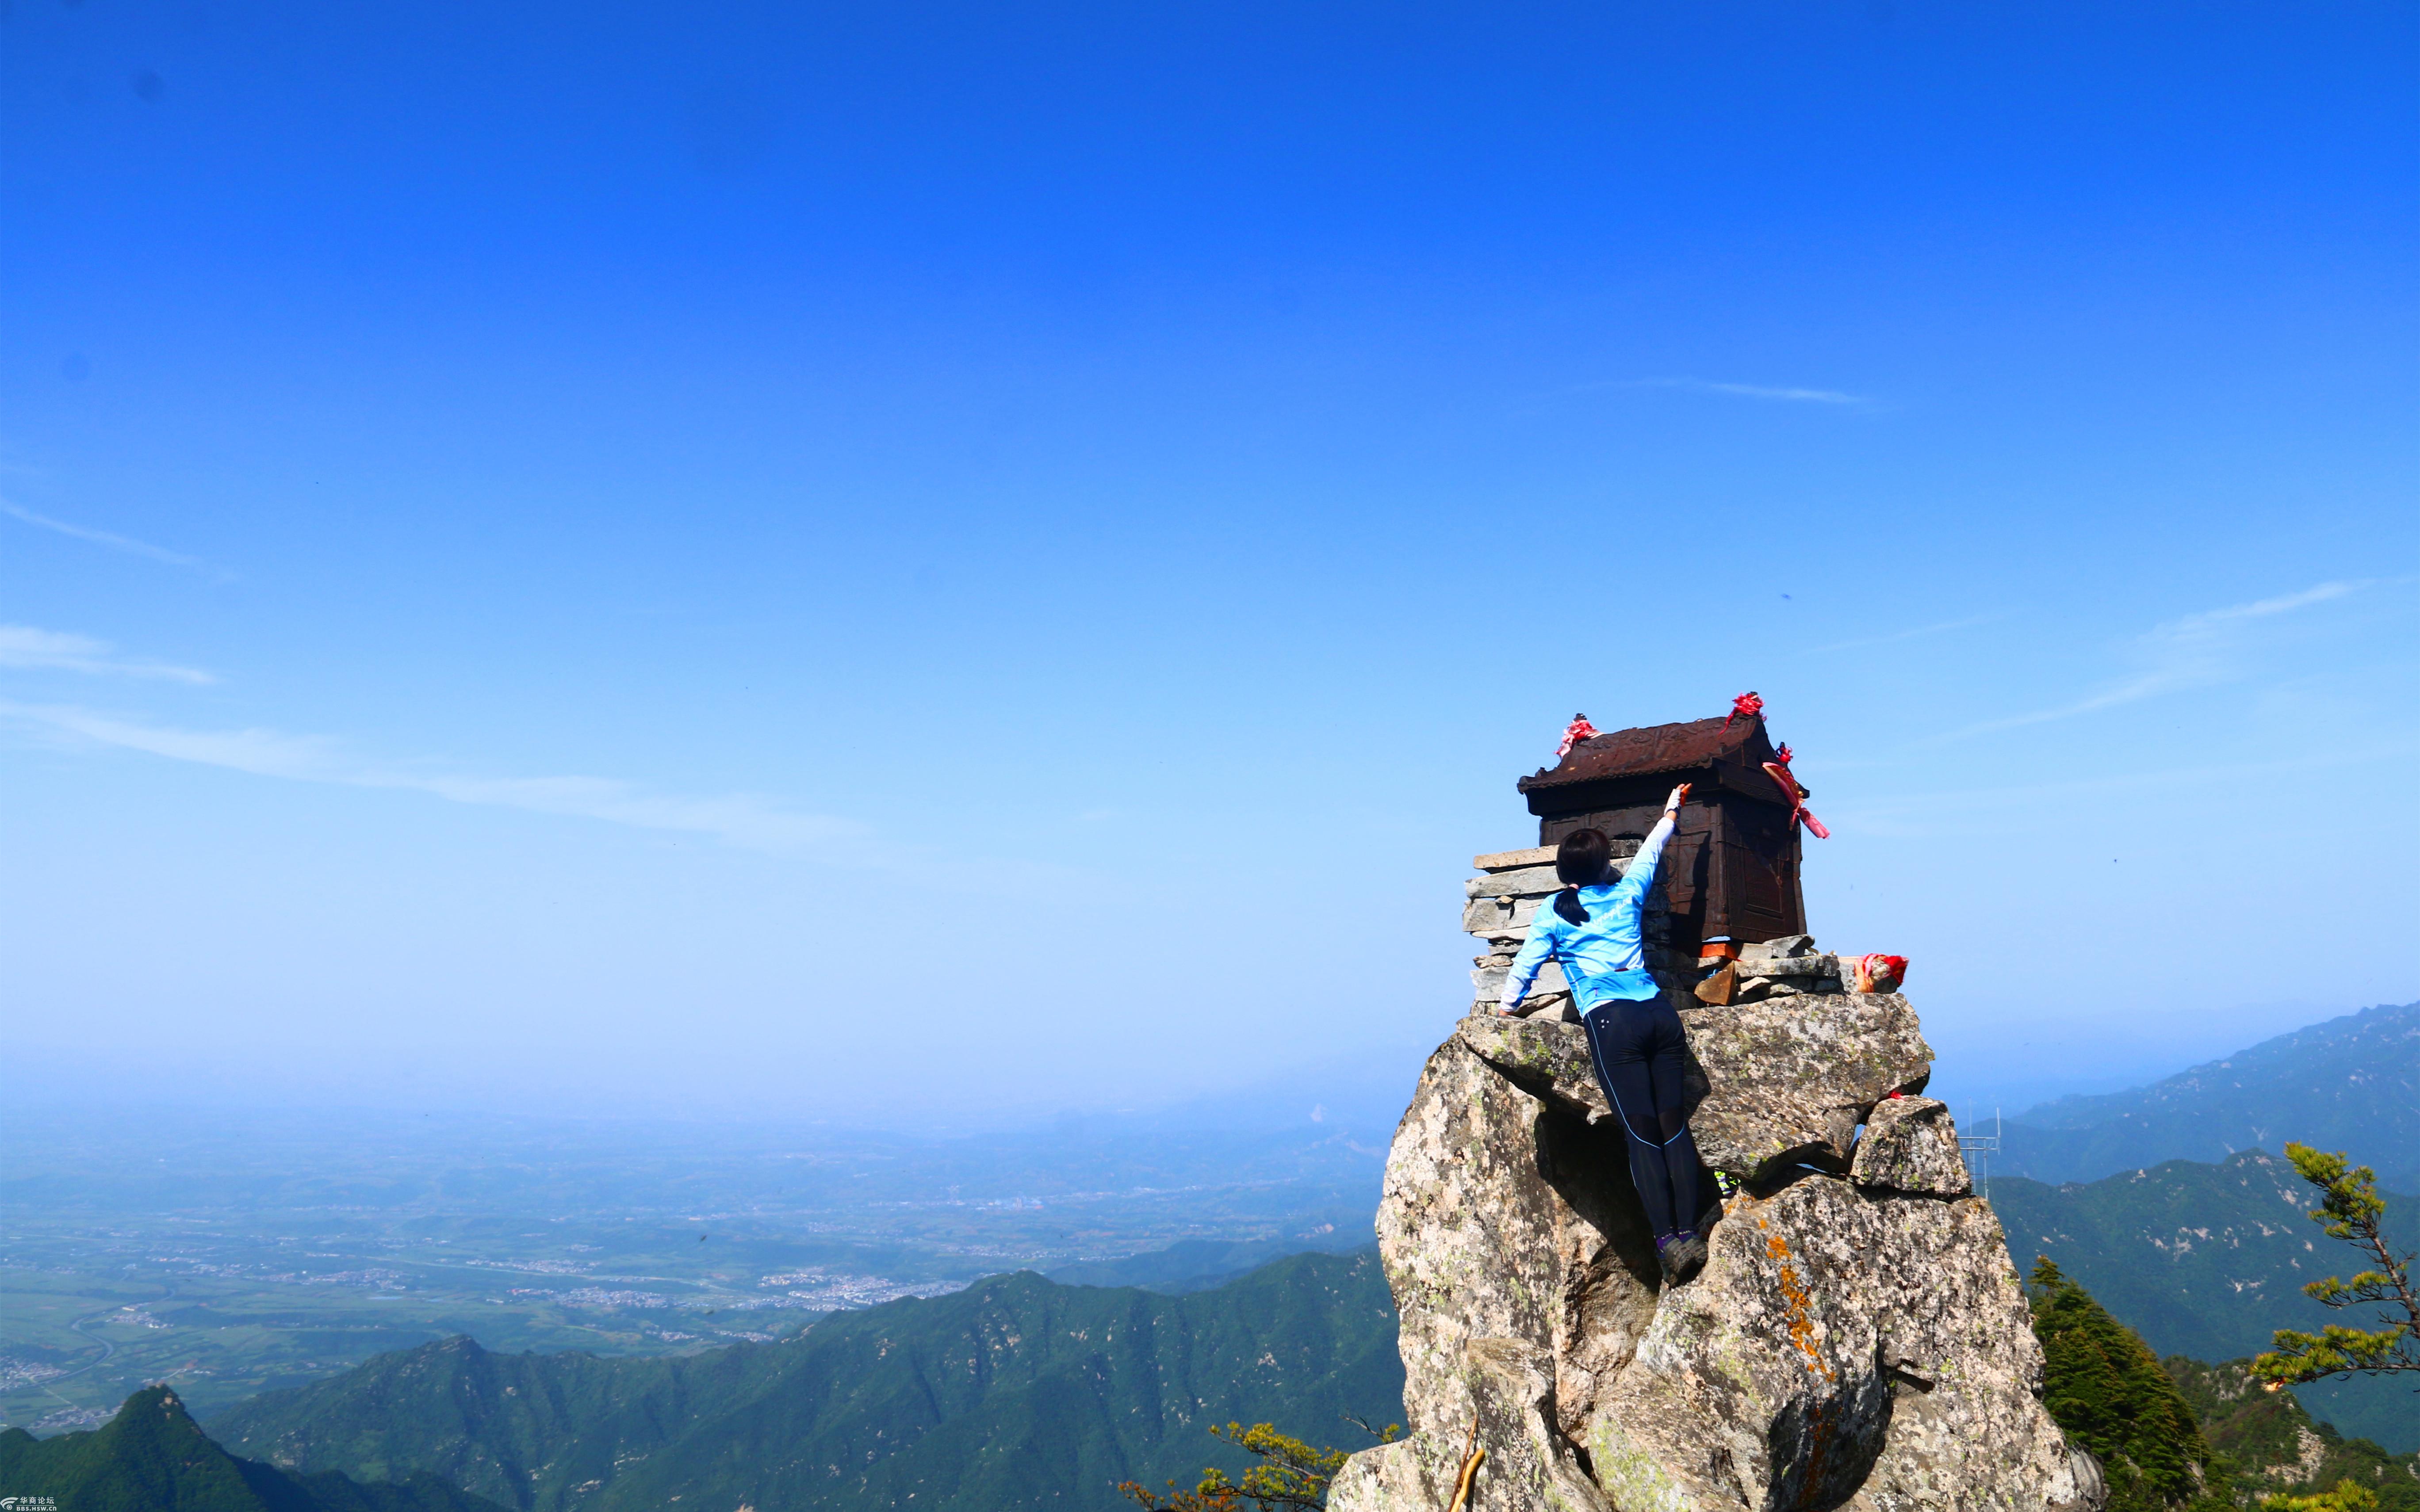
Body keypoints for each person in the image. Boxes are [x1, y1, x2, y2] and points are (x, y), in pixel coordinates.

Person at [1497, 783, 1712, 1283]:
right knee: (1673, 1128)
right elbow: (1656, 847)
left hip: (1614, 1024)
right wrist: (1672, 807)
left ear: (1565, 873)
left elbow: (1527, 964)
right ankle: (1691, 1230)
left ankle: (1669, 1243)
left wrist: (1508, 1008)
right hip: (1659, 1015)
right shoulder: (1628, 890)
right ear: (1603, 866)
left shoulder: (1555, 911)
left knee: (1641, 1138)